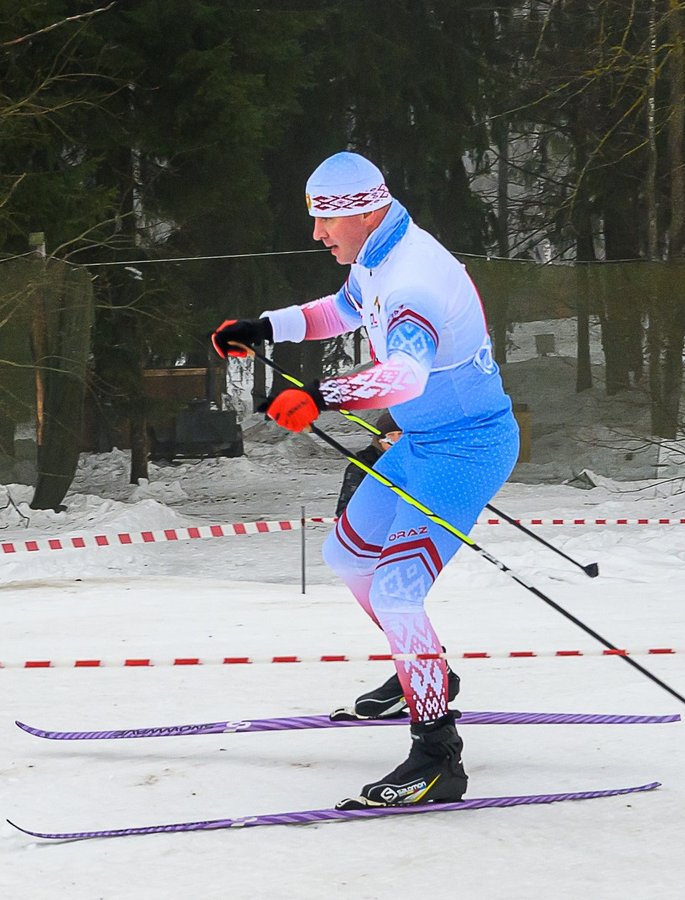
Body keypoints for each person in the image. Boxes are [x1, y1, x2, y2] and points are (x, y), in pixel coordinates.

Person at [210, 151, 518, 807]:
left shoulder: (413, 279)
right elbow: (342, 311)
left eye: (323, 218)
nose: (317, 233)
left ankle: (439, 755)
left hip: (466, 450)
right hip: (422, 440)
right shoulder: (380, 254)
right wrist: (267, 327)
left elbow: (405, 374)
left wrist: (320, 395)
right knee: (346, 554)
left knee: (399, 591)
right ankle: (426, 669)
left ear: (358, 210)